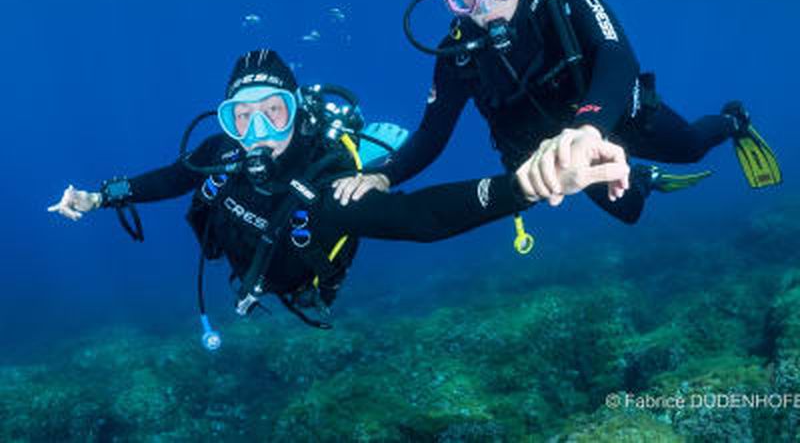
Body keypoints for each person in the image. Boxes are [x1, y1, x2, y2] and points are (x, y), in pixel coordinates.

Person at [48, 49, 629, 348]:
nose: (255, 134)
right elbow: (174, 177)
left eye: (272, 114)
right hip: (249, 270)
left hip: (304, 284)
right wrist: (98, 197)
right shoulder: (222, 149)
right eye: (240, 116)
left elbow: (420, 217)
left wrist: (523, 186)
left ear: (296, 113)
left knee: (379, 179)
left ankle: (380, 156)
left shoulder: (325, 186)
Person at [334, 0, 781, 222]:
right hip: (560, 152)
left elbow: (618, 58)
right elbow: (431, 137)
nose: (485, 6)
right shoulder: (458, 53)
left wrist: (587, 128)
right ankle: (642, 179)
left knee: (689, 148)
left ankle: (734, 120)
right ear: (452, 1)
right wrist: (382, 175)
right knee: (629, 212)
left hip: (613, 118)